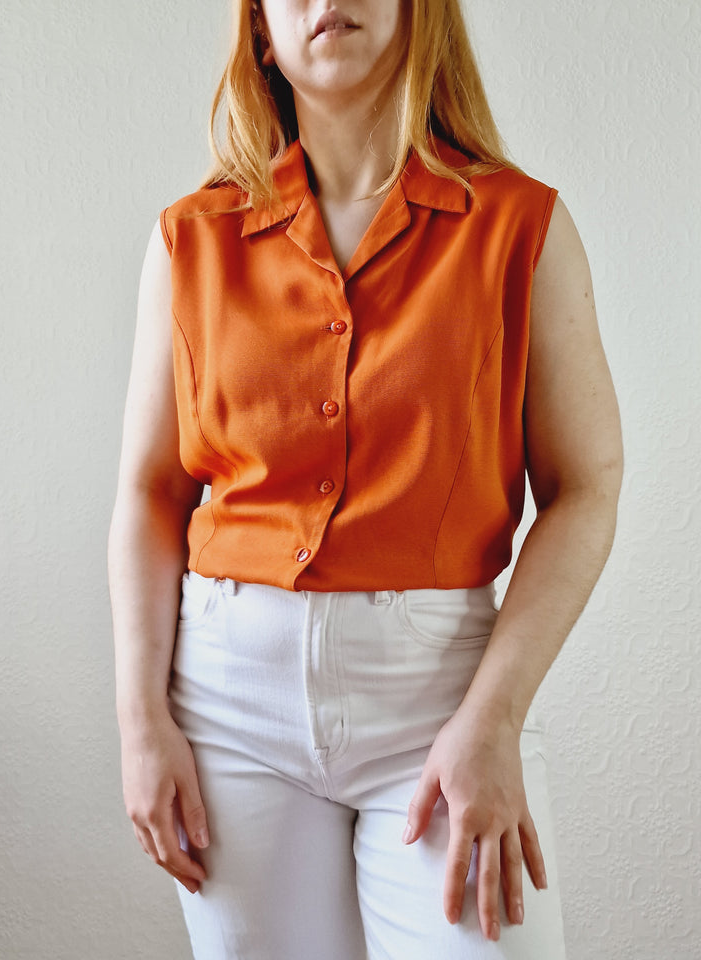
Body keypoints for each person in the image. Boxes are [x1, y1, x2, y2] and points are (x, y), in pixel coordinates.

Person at [108, 1, 623, 957]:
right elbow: (149, 493)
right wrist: (140, 719)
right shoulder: (192, 240)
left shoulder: (521, 226)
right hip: (227, 708)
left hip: (442, 707)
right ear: (262, 32)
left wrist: (496, 717)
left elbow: (586, 483)